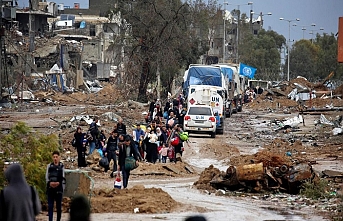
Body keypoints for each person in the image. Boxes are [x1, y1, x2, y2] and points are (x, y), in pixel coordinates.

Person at [46, 150, 65, 221]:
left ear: (59, 157)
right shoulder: (49, 166)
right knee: (50, 206)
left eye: (56, 157)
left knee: (58, 207)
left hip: (58, 189)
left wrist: (59, 185)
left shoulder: (61, 166)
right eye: (54, 157)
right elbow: (47, 177)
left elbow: (63, 178)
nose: (55, 158)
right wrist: (50, 184)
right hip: (50, 189)